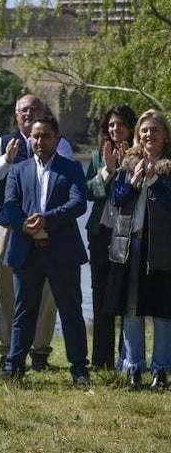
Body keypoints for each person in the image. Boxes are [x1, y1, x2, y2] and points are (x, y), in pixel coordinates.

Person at [0, 95, 73, 370]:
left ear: (44, 112)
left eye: (35, 109)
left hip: (47, 226)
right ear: (16, 114)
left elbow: (66, 178)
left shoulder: (60, 142)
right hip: (8, 226)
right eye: (24, 110)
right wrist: (6, 161)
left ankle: (40, 351)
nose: (29, 113)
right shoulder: (2, 142)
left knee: (46, 290)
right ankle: (8, 349)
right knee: (4, 285)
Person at [0, 114, 90, 387]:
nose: (40, 141)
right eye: (35, 136)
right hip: (27, 250)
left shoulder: (71, 168)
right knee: (23, 311)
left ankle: (79, 370)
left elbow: (79, 204)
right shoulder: (18, 168)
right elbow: (10, 204)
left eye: (46, 135)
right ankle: (14, 367)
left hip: (61, 252)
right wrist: (22, 223)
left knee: (71, 311)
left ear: (57, 138)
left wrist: (46, 219)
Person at [101, 109, 171, 391]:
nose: (148, 135)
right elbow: (116, 201)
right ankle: (133, 368)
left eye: (154, 130)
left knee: (163, 311)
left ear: (165, 134)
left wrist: (154, 181)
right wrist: (131, 183)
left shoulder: (169, 165)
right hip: (132, 244)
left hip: (162, 247)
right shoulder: (129, 163)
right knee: (131, 310)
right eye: (144, 130)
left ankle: (162, 370)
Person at [85, 104, 137, 370]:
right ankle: (100, 361)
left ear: (131, 127)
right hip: (101, 233)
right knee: (101, 296)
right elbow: (89, 192)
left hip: (129, 233)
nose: (115, 129)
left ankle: (126, 360)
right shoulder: (98, 156)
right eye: (111, 125)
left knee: (127, 298)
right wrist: (107, 169)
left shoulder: (141, 156)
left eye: (121, 124)